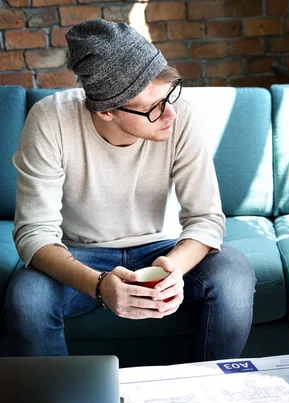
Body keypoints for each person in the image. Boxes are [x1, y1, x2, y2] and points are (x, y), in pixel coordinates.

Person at [4, 18, 256, 361]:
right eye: (153, 107)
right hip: (80, 253)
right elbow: (35, 234)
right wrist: (99, 286)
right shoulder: (50, 120)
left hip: (161, 248)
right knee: (27, 297)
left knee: (234, 271)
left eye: (170, 94)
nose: (169, 113)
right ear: (105, 111)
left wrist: (174, 268)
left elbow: (206, 218)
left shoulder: (179, 115)